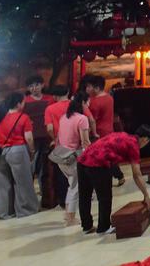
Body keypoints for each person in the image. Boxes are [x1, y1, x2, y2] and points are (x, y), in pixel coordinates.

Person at [75, 126, 150, 235]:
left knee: (84, 195)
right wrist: (146, 195)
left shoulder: (123, 135)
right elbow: (137, 174)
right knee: (105, 196)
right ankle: (104, 227)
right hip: (98, 163)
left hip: (82, 160)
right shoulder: (133, 145)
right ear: (145, 139)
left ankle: (87, 226)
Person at [0, 92, 39, 219]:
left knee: (2, 185)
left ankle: (4, 212)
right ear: (18, 104)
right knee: (23, 182)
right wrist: (32, 151)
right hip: (17, 151)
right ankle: (25, 210)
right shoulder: (23, 117)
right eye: (23, 102)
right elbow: (29, 138)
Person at [52, 94, 92, 226]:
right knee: (76, 187)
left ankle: (67, 215)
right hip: (73, 157)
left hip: (60, 156)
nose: (89, 104)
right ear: (83, 103)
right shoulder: (82, 119)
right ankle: (71, 218)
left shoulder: (64, 117)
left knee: (72, 185)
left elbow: (59, 137)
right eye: (88, 102)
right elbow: (85, 141)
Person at [80, 74, 122, 185]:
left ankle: (105, 179)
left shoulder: (95, 102)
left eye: (89, 87)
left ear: (97, 88)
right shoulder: (109, 97)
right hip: (109, 130)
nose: (87, 89)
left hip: (98, 132)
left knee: (100, 157)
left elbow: (91, 120)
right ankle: (119, 176)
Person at [21, 76, 54, 205]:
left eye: (36, 85)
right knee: (31, 169)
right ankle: (29, 200)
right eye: (31, 86)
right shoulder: (25, 101)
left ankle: (47, 198)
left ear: (42, 85)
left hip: (47, 137)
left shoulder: (50, 99)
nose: (34, 88)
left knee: (45, 169)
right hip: (32, 138)